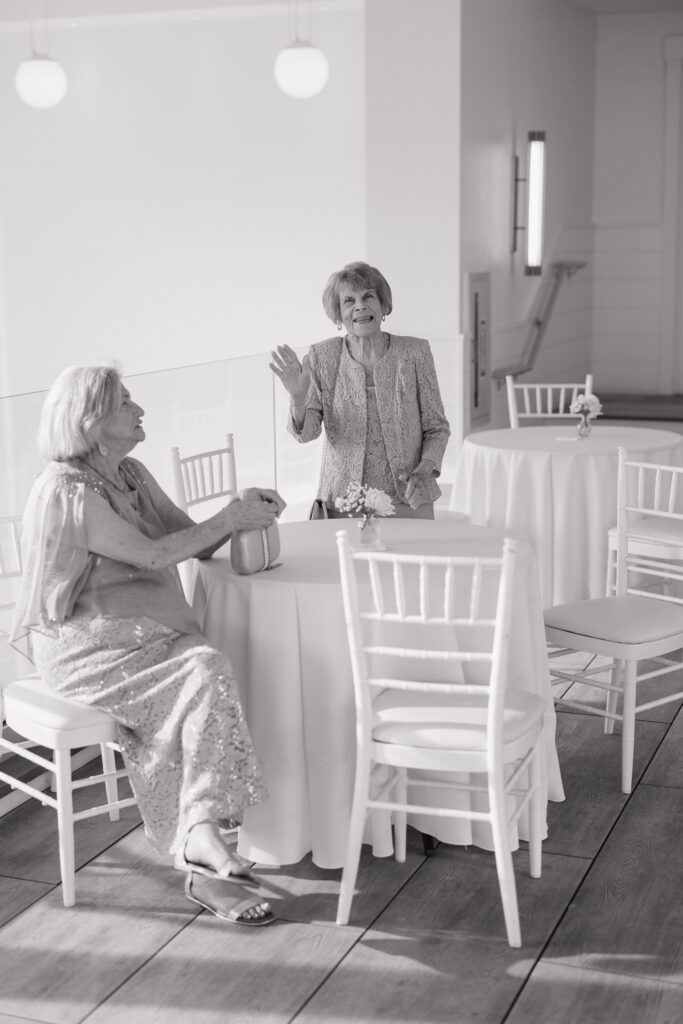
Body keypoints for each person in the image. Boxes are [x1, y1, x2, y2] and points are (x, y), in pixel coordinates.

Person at [10, 365, 287, 927]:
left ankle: (202, 839)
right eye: (126, 403)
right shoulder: (66, 489)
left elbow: (192, 538)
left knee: (205, 673)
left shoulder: (130, 472)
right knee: (204, 673)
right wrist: (226, 519)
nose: (140, 411)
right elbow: (153, 556)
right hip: (87, 647)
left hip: (144, 633)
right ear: (90, 421)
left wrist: (242, 513)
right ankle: (203, 845)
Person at [269, 261, 450, 519]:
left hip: (408, 498)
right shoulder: (323, 356)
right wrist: (298, 399)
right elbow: (307, 434)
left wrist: (423, 470)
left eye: (368, 297)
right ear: (338, 315)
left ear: (383, 306)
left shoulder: (414, 353)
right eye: (349, 301)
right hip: (343, 503)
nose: (360, 306)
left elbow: (437, 428)